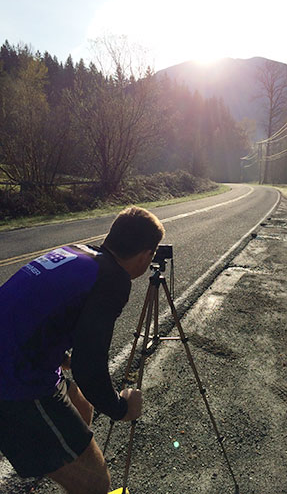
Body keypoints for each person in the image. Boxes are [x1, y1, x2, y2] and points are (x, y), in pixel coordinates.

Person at [0, 206, 165, 494]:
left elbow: (31, 304)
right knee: (96, 484)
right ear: (146, 255)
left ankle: (55, 458)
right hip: (15, 384)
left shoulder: (77, 251)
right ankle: (55, 460)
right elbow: (89, 366)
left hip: (18, 358)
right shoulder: (113, 280)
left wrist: (56, 351)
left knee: (81, 407)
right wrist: (120, 407)